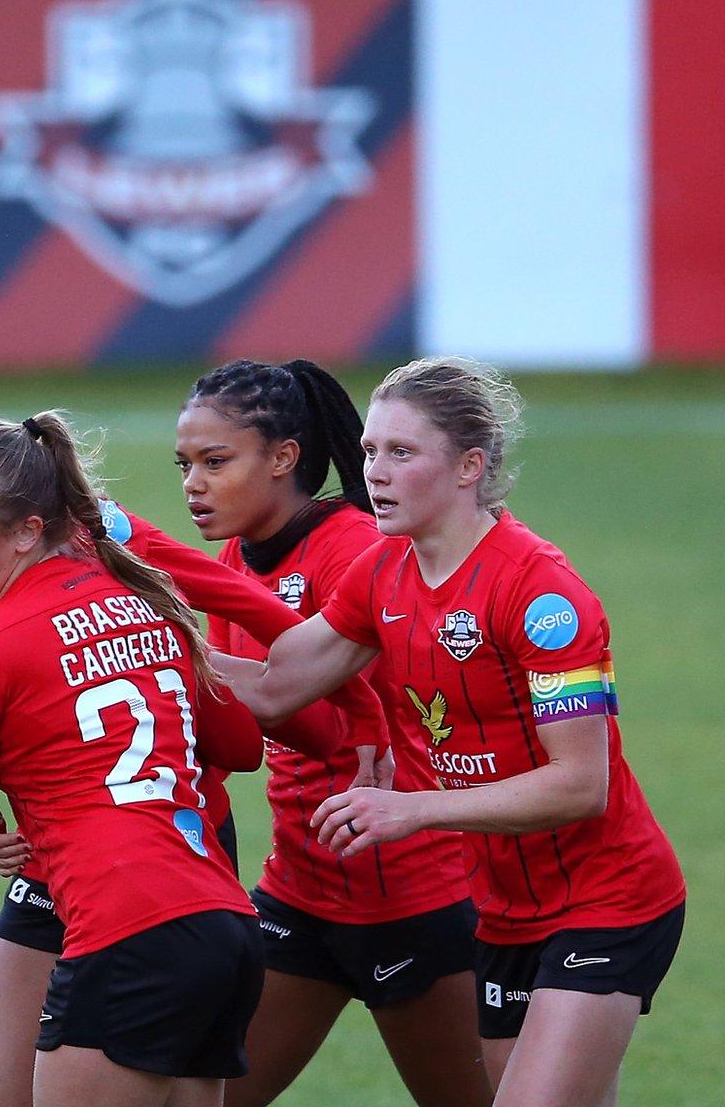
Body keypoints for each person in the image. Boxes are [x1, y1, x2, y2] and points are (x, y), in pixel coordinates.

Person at [0, 348, 376, 1107]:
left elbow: (220, 601)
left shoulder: (86, 535)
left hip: (164, 845)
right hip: (64, 855)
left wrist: (354, 719)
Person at [219, 357, 685, 1107]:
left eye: (402, 453)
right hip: (500, 911)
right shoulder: (382, 572)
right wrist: (143, 630)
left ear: (470, 466)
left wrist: (415, 809)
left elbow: (581, 784)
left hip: (609, 901)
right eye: (370, 451)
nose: (376, 472)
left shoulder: (543, 598)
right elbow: (275, 687)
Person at [0, 412, 264, 1107]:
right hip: (224, 929)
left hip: (126, 933)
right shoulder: (146, 601)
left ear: (25, 531)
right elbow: (241, 747)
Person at [177, 359, 490, 1107]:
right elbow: (249, 734)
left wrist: (145, 641)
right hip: (302, 889)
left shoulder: (355, 547)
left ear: (284, 458)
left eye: (216, 462)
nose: (194, 483)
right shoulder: (234, 559)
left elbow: (287, 701)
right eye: (185, 464)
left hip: (408, 892)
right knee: (204, 1097)